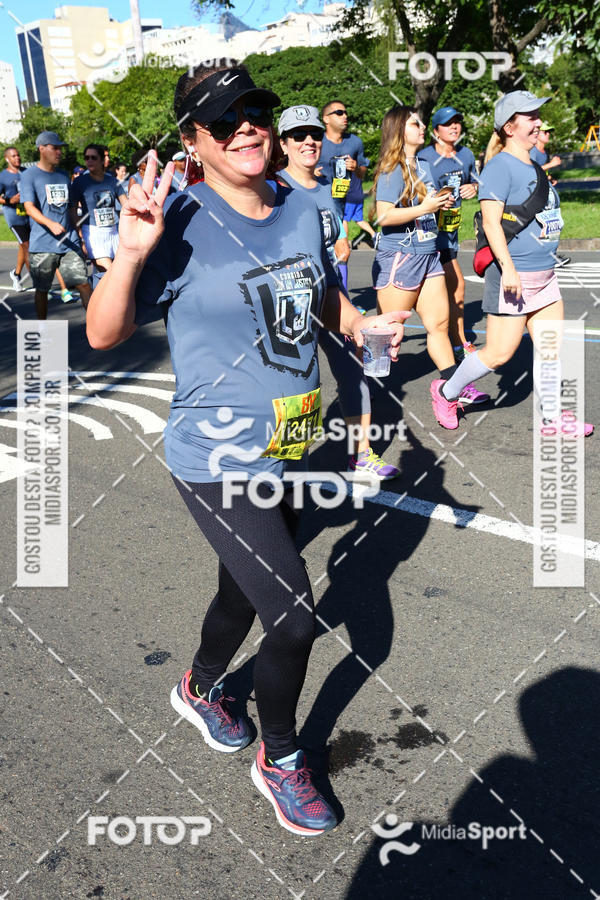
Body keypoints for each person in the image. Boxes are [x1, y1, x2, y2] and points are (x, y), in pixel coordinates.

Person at [86, 62, 409, 836]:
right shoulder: (181, 219)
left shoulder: (302, 206)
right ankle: (283, 759)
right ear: (194, 141)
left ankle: (199, 689)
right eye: (225, 121)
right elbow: (102, 334)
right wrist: (131, 253)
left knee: (246, 590)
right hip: (217, 454)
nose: (248, 129)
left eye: (254, 112)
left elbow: (320, 287)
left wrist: (357, 323)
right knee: (294, 617)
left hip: (292, 443)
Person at [429, 91, 593, 435]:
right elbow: (490, 224)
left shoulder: (533, 164)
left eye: (537, 116)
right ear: (508, 126)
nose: (537, 123)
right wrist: (510, 270)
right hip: (513, 275)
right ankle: (446, 392)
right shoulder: (499, 167)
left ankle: (552, 418)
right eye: (530, 117)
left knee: (550, 349)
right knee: (499, 354)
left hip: (545, 275)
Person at [277, 104, 402, 478]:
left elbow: (335, 229)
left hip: (331, 295)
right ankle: (287, 465)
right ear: (283, 144)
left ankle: (361, 454)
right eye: (298, 136)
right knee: (296, 382)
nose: (309, 141)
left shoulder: (325, 188)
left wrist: (342, 241)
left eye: (314, 134)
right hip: (293, 302)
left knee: (352, 368)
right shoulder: (275, 190)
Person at [372, 105, 483, 415]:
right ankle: (361, 396)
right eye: (415, 124)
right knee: (383, 336)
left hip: (429, 256)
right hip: (400, 258)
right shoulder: (391, 169)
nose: (422, 127)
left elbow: (429, 206)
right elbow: (383, 215)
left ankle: (451, 390)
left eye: (421, 123)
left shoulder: (424, 165)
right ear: (398, 131)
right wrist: (425, 208)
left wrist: (444, 202)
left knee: (439, 326)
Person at [418, 107, 490, 407]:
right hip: (427, 234)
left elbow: (477, 182)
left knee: (451, 290)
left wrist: (474, 187)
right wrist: (436, 198)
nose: (455, 127)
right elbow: (420, 191)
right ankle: (459, 346)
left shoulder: (468, 155)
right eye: (448, 124)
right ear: (436, 130)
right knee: (456, 286)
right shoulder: (424, 158)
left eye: (458, 122)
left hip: (450, 232)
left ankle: (456, 343)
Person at [20, 131, 91, 318]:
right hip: (43, 244)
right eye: (55, 148)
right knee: (42, 290)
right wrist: (50, 224)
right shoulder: (29, 175)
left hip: (69, 241)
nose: (59, 152)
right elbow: (29, 207)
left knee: (82, 282)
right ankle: (42, 328)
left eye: (60, 148)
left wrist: (78, 232)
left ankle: (96, 327)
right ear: (41, 149)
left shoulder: (63, 175)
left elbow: (69, 208)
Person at [317, 100, 369, 290]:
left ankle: (344, 300)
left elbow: (363, 173)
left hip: (338, 206)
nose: (345, 116)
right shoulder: (315, 141)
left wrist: (356, 168)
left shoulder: (354, 142)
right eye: (339, 113)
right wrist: (312, 173)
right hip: (315, 207)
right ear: (326, 119)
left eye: (346, 112)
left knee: (343, 252)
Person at [69, 142, 126, 277]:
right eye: (86, 158)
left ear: (102, 160)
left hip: (113, 233)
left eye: (93, 157)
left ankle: (97, 297)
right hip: (92, 233)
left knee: (116, 276)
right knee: (111, 274)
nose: (89, 161)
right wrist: (81, 238)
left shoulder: (112, 182)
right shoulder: (79, 182)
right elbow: (72, 210)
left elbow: (126, 205)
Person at [530, 123, 570, 268]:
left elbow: (541, 173)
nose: (548, 135)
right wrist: (551, 165)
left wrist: (549, 178)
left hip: (546, 192)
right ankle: (546, 256)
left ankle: (551, 254)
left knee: (553, 223)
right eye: (545, 132)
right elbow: (530, 170)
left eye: (549, 132)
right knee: (543, 224)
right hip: (535, 194)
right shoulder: (533, 151)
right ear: (537, 133)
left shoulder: (543, 152)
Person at [0, 146, 30, 292]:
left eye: (18, 155)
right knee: (28, 247)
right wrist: (9, 200)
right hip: (14, 217)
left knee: (23, 246)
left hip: (29, 214)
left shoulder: (26, 172)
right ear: (7, 159)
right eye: (13, 156)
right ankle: (39, 283)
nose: (17, 158)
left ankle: (16, 274)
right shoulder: (3, 176)